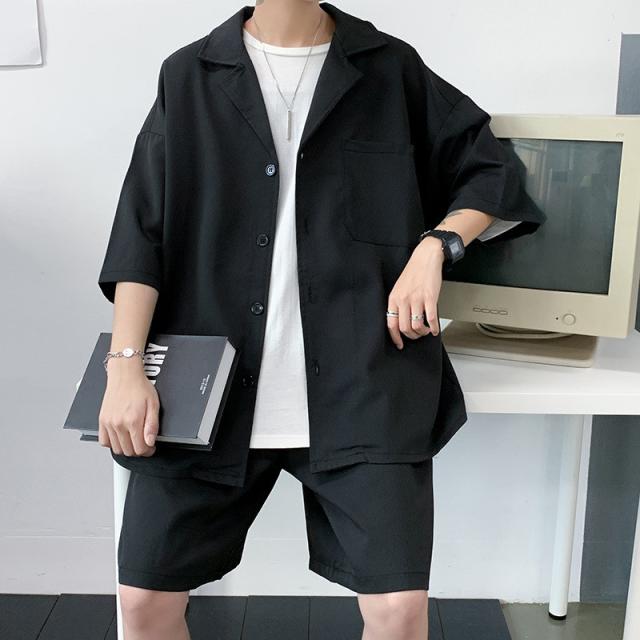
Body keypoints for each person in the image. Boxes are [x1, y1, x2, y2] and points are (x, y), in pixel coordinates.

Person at [97, 1, 545, 638]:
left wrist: (435, 247)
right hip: (208, 390)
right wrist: (125, 367)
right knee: (142, 600)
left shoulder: (389, 68)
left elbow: (491, 168)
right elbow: (144, 234)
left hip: (362, 382)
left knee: (398, 610)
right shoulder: (189, 75)